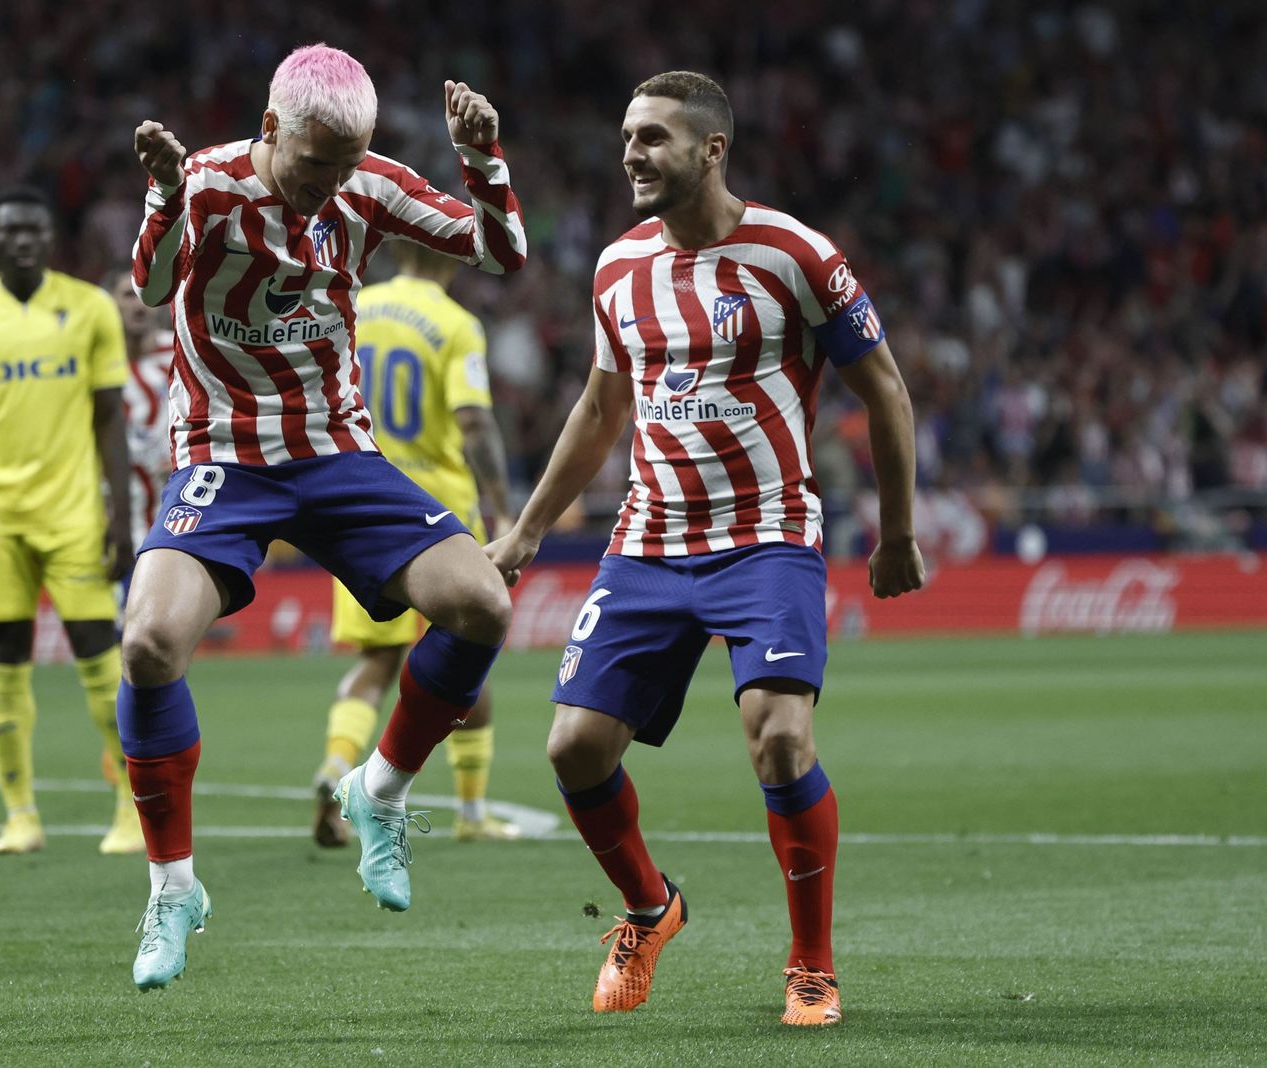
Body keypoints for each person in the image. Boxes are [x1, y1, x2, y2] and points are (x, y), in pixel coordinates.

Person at [487, 72, 924, 1025]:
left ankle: (811, 965)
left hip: (766, 536)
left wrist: (896, 532)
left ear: (711, 150)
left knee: (779, 736)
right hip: (647, 543)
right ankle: (650, 910)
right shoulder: (615, 266)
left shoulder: (795, 255)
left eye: (652, 138)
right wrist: (525, 530)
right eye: (627, 136)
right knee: (572, 748)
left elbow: (884, 388)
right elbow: (602, 408)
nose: (631, 153)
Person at [119, 43, 526, 990]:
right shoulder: (210, 185)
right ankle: (173, 887)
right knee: (146, 643)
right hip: (223, 454)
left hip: (338, 451)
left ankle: (378, 792)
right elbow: (147, 286)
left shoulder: (366, 184)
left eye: (347, 164)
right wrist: (164, 198)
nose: (329, 186)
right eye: (314, 164)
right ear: (270, 131)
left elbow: (499, 251)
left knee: (482, 607)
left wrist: (484, 162)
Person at [0, 187, 142, 857]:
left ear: (51, 239)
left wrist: (122, 518)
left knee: (102, 662)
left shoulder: (89, 309)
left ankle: (132, 811)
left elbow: (111, 419)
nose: (24, 240)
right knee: (5, 661)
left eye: (36, 229)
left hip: (74, 512)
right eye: (11, 230)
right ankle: (20, 815)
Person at [311, 241, 519, 847]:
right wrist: (500, 508)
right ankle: (473, 813)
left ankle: (334, 764)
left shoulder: (355, 308)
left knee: (374, 662)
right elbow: (475, 420)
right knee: (464, 655)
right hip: (439, 514)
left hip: (359, 502)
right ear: (451, 259)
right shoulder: (456, 324)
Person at [105, 269, 175, 547]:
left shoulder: (182, 350)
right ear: (110, 303)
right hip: (117, 516)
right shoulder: (96, 365)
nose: (137, 304)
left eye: (141, 295)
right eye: (126, 296)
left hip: (177, 509)